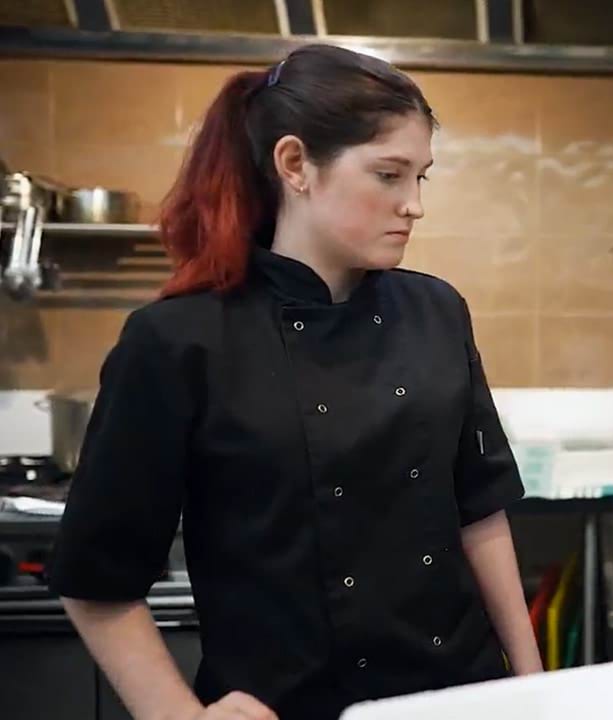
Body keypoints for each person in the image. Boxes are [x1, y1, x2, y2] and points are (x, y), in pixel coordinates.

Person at [48, 44, 541, 720]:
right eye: (389, 175)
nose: (414, 206)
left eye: (421, 178)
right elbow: (95, 579)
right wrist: (177, 715)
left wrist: (534, 688)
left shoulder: (436, 310)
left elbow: (479, 513)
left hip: (461, 696)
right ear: (294, 165)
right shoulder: (179, 340)